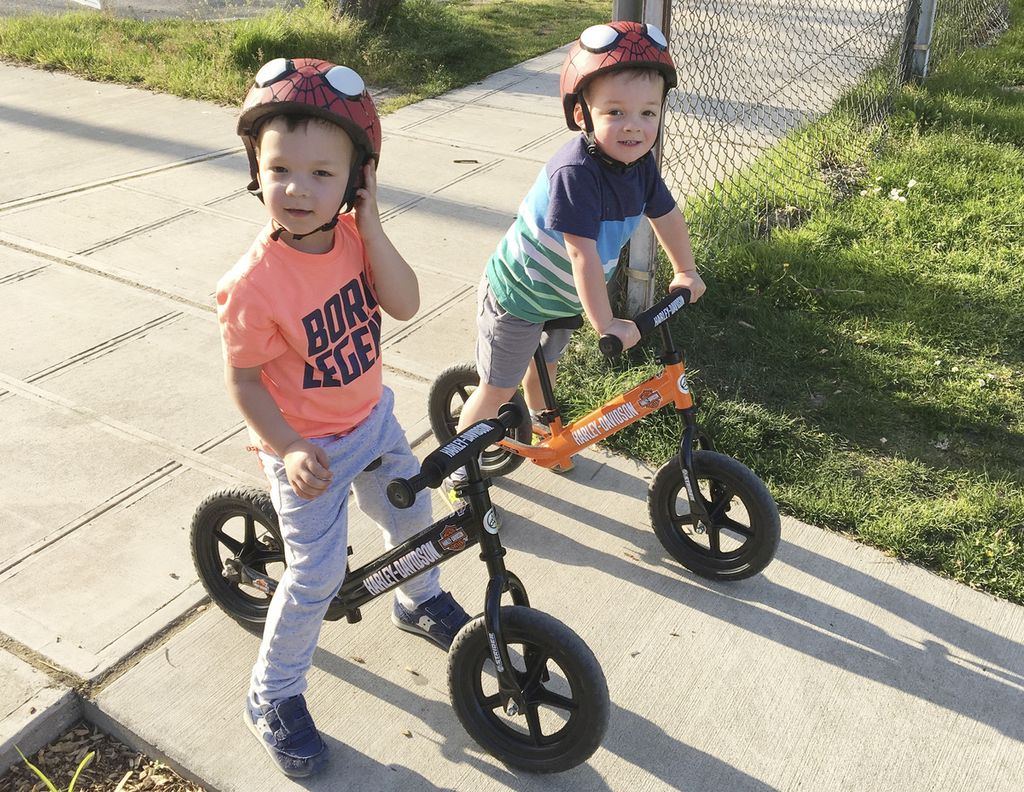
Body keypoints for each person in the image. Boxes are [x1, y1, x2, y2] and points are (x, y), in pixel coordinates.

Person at [216, 58, 471, 778]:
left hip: (374, 420)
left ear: (358, 179)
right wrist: (288, 446)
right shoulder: (251, 287)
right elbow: (243, 383)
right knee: (317, 576)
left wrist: (374, 222)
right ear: (255, 169)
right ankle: (271, 694)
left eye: (323, 174)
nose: (297, 188)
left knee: (414, 513)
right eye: (280, 169)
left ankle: (419, 600)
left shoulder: (357, 241)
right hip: (308, 449)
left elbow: (406, 302)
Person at [446, 21, 707, 494]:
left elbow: (666, 215)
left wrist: (685, 270)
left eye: (649, 112)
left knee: (546, 366)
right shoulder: (575, 173)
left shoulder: (641, 166)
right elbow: (581, 253)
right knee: (496, 390)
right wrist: (607, 324)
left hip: (562, 297)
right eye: (616, 112)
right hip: (520, 296)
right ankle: (462, 468)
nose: (635, 125)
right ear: (582, 115)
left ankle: (548, 429)